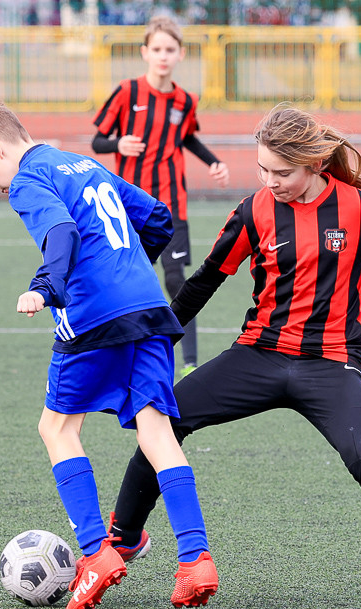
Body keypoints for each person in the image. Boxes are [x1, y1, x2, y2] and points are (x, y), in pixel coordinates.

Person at [106, 103, 361, 609]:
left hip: (332, 364)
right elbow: (205, 280)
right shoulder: (254, 211)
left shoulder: (357, 209)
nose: (270, 181)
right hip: (258, 354)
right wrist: (154, 339)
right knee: (160, 421)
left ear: (315, 165)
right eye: (262, 170)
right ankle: (122, 539)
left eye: (282, 172)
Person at [0, 101, 219, 609]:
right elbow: (159, 219)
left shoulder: (30, 178)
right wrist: (126, 272)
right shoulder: (83, 162)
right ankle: (195, 559)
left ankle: (98, 555)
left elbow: (61, 232)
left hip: (94, 314)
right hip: (147, 305)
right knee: (156, 430)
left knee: (57, 428)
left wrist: (46, 285)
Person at [92, 15, 230, 379]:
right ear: (145, 53)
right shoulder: (127, 92)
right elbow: (97, 140)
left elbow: (187, 138)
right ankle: (115, 355)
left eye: (170, 49)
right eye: (157, 49)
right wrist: (118, 143)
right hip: (128, 206)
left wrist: (213, 162)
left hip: (171, 205)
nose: (163, 56)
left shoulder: (185, 100)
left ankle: (189, 361)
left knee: (175, 279)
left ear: (180, 54)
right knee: (127, 281)